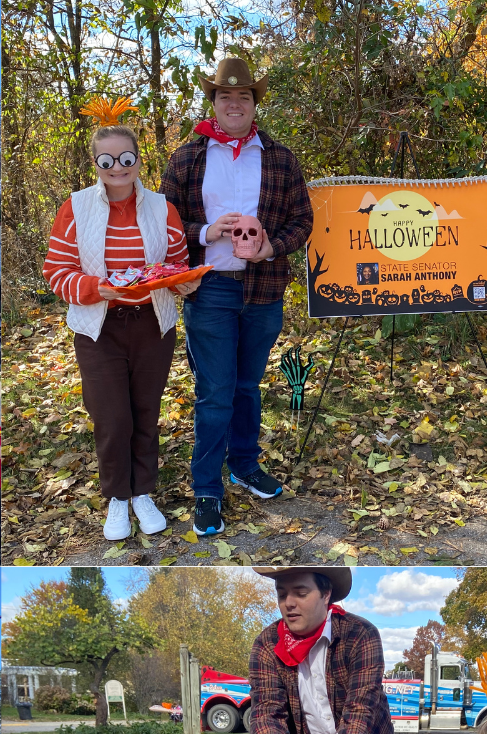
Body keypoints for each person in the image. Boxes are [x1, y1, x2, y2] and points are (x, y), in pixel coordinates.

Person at [159, 55, 313, 536]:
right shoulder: (188, 157)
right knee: (215, 394)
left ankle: (244, 466)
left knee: (248, 388)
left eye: (243, 96)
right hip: (210, 290)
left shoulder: (279, 157)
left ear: (253, 104)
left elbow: (302, 221)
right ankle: (207, 490)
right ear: (213, 101)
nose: (234, 103)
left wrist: (273, 246)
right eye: (225, 96)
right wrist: (205, 231)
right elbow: (163, 224)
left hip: (264, 291)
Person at [42, 99, 195, 541]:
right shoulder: (75, 208)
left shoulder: (163, 209)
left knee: (146, 411)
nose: (117, 167)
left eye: (125, 159)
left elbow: (177, 264)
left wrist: (185, 284)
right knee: (112, 417)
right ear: (96, 163)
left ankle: (143, 492)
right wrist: (97, 289)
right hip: (99, 327)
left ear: (138, 161)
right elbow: (57, 271)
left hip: (152, 325)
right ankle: (117, 497)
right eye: (107, 160)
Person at [246, 566, 406, 734]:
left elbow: (360, 712)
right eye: (282, 594)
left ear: (326, 594)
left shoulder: (360, 635)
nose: (289, 603)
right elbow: (266, 711)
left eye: (301, 593)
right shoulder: (267, 644)